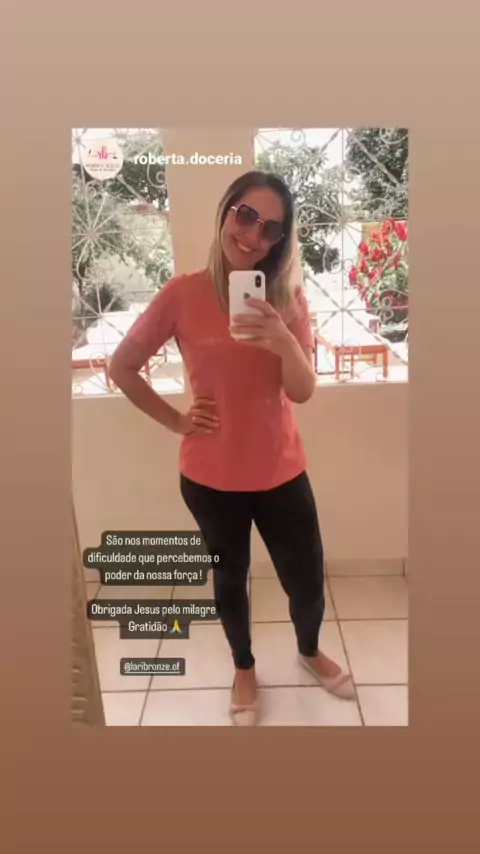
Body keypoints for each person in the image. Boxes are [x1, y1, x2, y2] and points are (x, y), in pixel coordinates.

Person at [109, 170, 355, 726]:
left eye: (270, 229)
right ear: (226, 212)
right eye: (246, 216)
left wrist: (283, 339)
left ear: (280, 241)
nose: (252, 235)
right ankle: (244, 667)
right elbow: (121, 367)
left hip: (281, 470)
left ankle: (309, 650)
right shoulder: (182, 293)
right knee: (229, 579)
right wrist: (177, 420)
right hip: (210, 476)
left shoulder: (288, 298)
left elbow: (302, 391)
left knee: (306, 579)